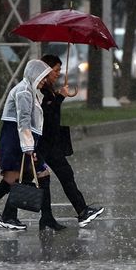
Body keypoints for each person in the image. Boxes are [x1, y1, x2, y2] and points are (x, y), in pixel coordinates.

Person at [0, 59, 54, 232]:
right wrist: (29, 148)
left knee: (20, 179)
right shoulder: (24, 92)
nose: (45, 80)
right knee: (12, 180)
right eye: (43, 76)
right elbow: (23, 122)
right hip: (16, 142)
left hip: (21, 141)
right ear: (34, 75)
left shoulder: (30, 91)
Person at [37, 54, 105, 228]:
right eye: (56, 70)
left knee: (58, 177)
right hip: (44, 143)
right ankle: (3, 214)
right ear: (46, 69)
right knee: (18, 180)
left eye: (60, 70)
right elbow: (46, 114)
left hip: (50, 143)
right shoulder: (40, 90)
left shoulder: (48, 89)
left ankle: (57, 216)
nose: (59, 73)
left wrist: (59, 95)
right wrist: (59, 97)